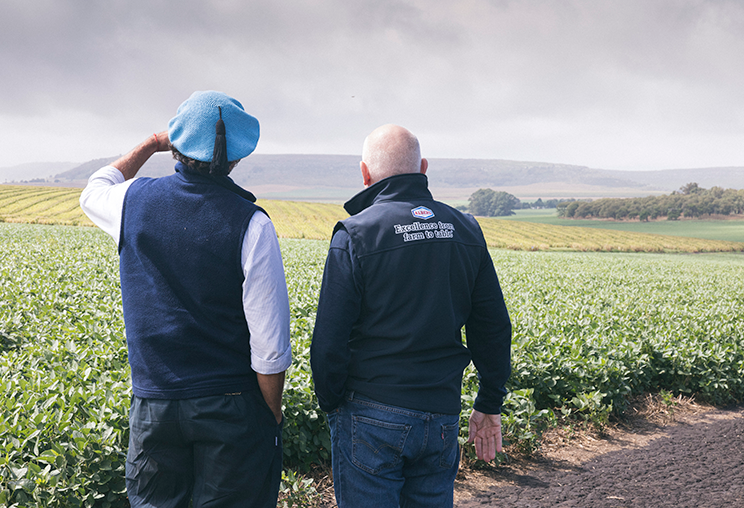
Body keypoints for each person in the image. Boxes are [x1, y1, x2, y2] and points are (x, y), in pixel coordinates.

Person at [79, 91, 291, 508]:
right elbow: (270, 346)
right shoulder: (252, 223)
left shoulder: (131, 202)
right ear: (237, 158)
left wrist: (150, 144)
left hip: (154, 404)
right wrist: (271, 414)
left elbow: (94, 188)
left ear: (176, 145)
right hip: (231, 405)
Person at [310, 124, 512, 507]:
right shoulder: (466, 229)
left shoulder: (355, 234)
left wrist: (333, 404)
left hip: (370, 412)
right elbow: (493, 327)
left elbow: (328, 341)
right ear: (423, 167)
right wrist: (489, 402)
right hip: (440, 414)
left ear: (365, 174)